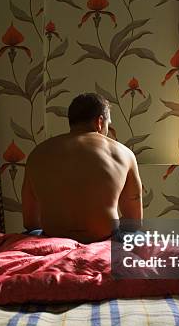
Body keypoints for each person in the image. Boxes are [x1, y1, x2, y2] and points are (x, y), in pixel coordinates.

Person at [22, 93, 143, 244]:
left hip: (54, 238)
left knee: (31, 233)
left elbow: (30, 222)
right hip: (104, 238)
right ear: (99, 122)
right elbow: (134, 221)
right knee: (142, 237)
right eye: (108, 124)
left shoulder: (37, 153)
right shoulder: (124, 153)